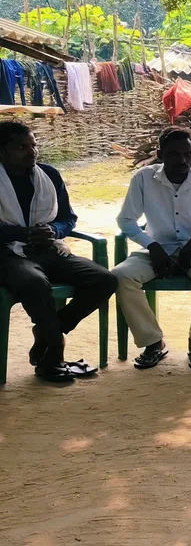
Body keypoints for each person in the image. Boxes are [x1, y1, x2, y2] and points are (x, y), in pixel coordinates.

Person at [0, 121, 116, 382]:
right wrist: (24, 234)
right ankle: (55, 352)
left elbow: (67, 218)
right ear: (2, 151)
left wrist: (52, 230)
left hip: (49, 250)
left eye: (33, 145)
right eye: (21, 147)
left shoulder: (48, 175)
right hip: (7, 254)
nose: (32, 152)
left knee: (105, 280)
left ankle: (47, 333)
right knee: (33, 282)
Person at [115, 126, 191, 370]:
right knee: (121, 275)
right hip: (156, 249)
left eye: (188, 154)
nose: (182, 160)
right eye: (174, 154)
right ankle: (153, 342)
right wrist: (152, 246)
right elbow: (125, 220)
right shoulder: (143, 178)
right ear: (160, 154)